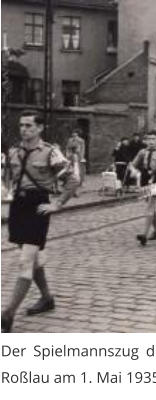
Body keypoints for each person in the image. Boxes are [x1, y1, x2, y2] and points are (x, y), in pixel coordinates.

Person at [1, 110, 79, 333]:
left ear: (40, 128)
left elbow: (72, 179)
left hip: (38, 207)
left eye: (28, 126)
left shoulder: (50, 152)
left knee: (25, 261)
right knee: (32, 258)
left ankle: (8, 314)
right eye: (21, 125)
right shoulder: (15, 152)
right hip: (19, 206)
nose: (24, 129)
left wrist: (57, 204)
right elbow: (9, 178)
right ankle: (47, 298)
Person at [132, 131, 156, 246]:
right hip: (145, 179)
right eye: (149, 139)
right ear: (146, 141)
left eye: (153, 139)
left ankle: (144, 234)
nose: (151, 141)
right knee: (151, 206)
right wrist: (134, 172)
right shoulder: (142, 152)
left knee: (150, 205)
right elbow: (133, 165)